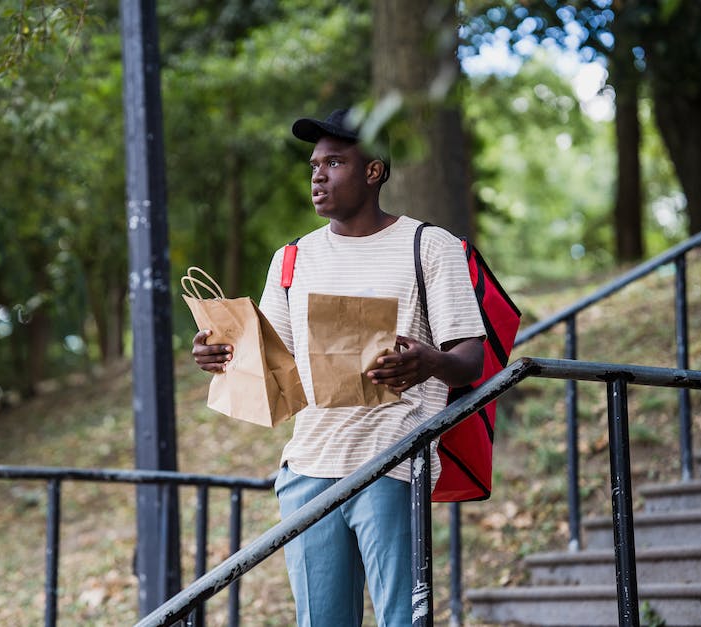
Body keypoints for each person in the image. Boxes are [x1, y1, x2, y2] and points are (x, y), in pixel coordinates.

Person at [191, 108, 486, 626]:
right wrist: (218, 357)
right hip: (307, 471)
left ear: (373, 171)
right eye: (313, 166)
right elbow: (271, 369)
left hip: (393, 466)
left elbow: (470, 361)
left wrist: (427, 361)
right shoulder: (293, 259)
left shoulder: (429, 247)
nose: (318, 176)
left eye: (334, 163)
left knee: (402, 620)